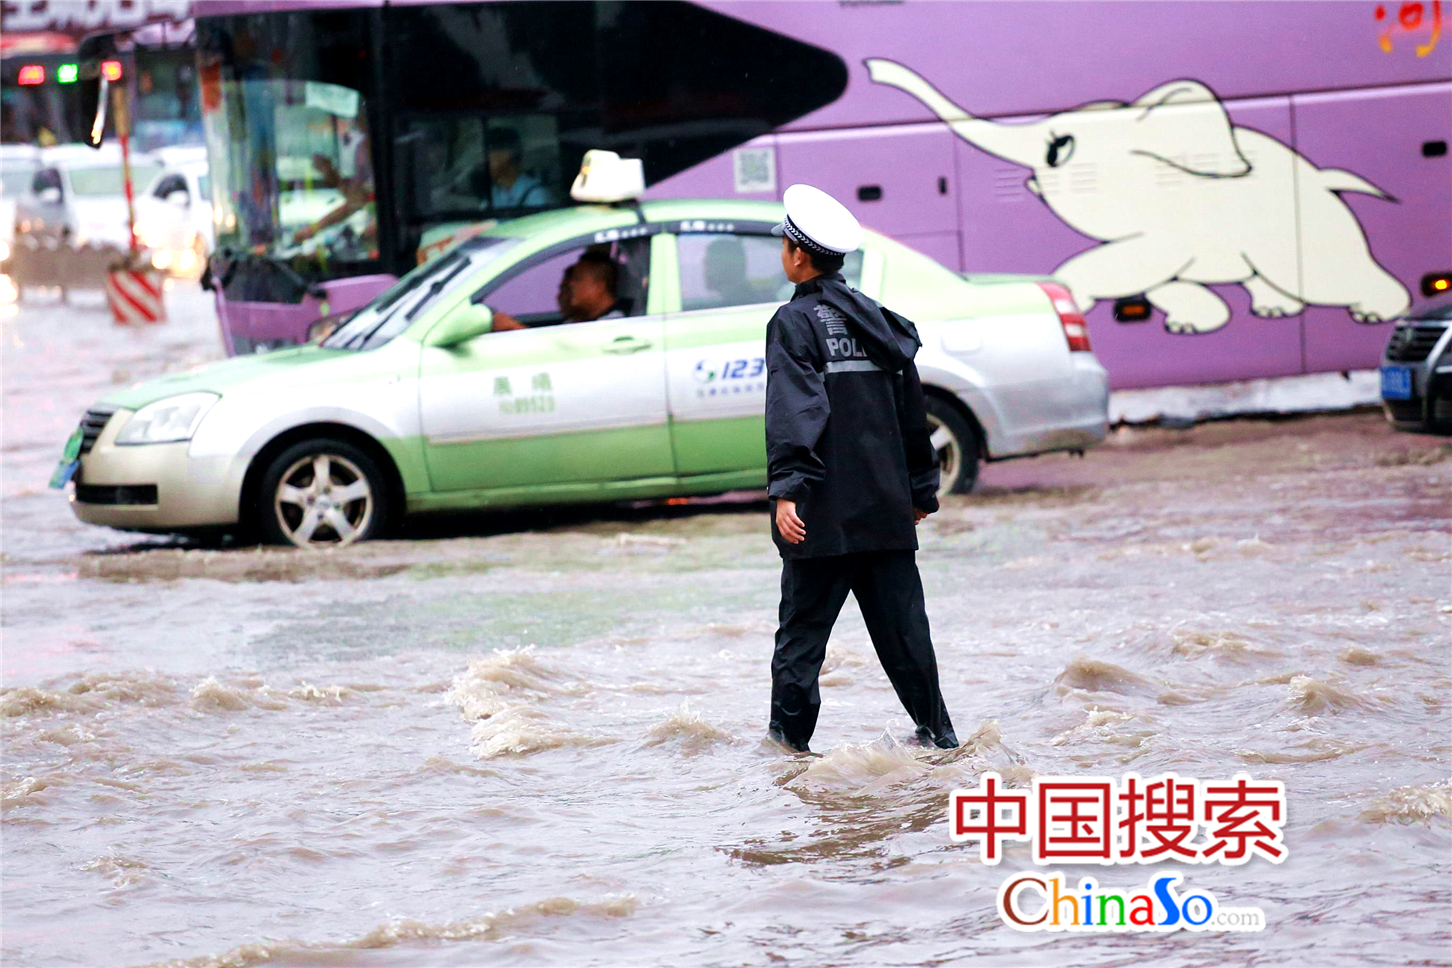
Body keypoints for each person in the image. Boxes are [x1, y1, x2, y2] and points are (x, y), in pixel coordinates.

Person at [763, 183, 959, 754]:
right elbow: (911, 414)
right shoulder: (881, 323)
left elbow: (797, 409)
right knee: (906, 638)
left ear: (798, 256)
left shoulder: (792, 323)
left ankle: (788, 758)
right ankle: (941, 741)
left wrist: (787, 491)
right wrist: (921, 491)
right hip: (885, 511)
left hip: (822, 515)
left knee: (800, 642)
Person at [490, 250, 624, 331]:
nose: (571, 284)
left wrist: (514, 328)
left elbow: (564, 356)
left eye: (578, 279)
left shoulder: (614, 324)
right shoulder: (580, 319)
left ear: (600, 286)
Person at [484, 127, 554, 210]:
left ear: (506, 155)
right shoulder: (495, 193)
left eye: (490, 157)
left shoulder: (535, 194)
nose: (485, 162)